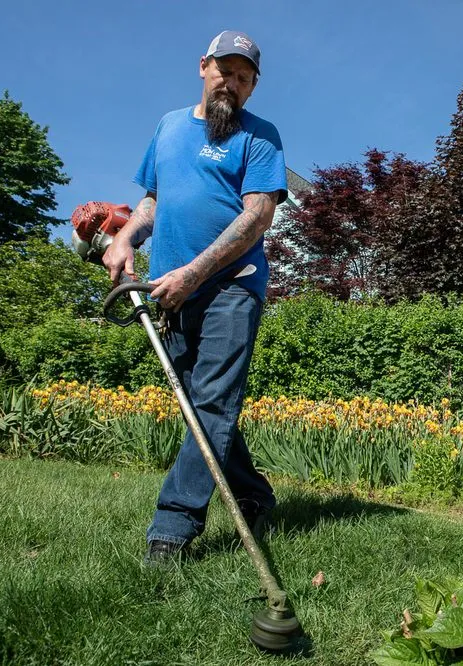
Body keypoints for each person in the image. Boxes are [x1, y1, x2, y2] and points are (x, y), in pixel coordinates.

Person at [103, 30, 288, 564]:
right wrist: (123, 237)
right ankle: (253, 493)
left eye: (244, 77)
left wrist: (194, 271)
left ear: (253, 86)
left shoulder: (261, 136)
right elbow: (153, 199)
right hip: (172, 293)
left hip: (232, 285)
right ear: (203, 67)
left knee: (210, 400)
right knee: (200, 407)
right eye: (224, 70)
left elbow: (257, 216)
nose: (231, 82)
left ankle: (172, 528)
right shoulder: (167, 127)